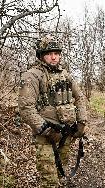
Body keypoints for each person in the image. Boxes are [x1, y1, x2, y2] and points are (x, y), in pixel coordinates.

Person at [18, 35, 88, 187]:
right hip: (46, 136)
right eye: (49, 54)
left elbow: (80, 97)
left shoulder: (65, 75)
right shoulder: (32, 76)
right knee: (49, 180)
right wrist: (47, 129)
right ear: (42, 56)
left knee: (59, 172)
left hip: (66, 134)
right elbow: (25, 108)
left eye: (56, 53)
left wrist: (82, 122)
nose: (53, 57)